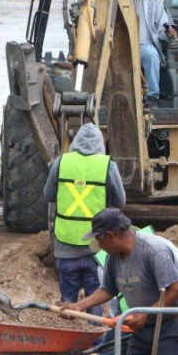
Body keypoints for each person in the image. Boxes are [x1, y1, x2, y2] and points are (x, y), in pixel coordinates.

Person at [62, 208, 178, 355]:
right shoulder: (113, 256)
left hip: (173, 323)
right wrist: (79, 306)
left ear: (109, 236)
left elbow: (177, 289)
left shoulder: (153, 250)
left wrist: (146, 313)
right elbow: (108, 289)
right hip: (144, 326)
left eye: (99, 239)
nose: (99, 245)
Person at [43, 123, 126, 316]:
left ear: (75, 142)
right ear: (100, 144)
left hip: (65, 245)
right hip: (97, 246)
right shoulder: (107, 165)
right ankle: (93, 342)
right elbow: (120, 201)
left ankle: (68, 341)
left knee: (67, 303)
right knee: (94, 302)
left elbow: (48, 195)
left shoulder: (61, 162)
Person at [137, 0, 177, 108]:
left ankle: (152, 96)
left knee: (151, 55)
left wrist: (168, 32)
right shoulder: (115, 3)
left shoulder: (153, 3)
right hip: (120, 46)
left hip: (143, 45)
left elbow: (162, 28)